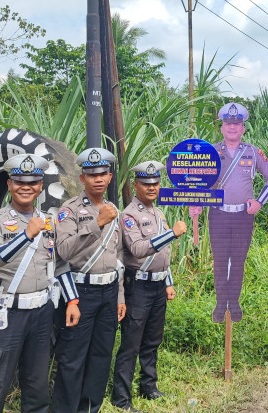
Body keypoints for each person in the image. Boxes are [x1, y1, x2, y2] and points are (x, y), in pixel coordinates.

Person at [0, 154, 79, 413]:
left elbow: (60, 264)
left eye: (32, 182)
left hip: (42, 313)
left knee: (37, 384)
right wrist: (26, 235)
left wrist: (73, 300)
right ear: (9, 185)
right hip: (7, 314)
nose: (26, 187)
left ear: (41, 186)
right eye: (19, 181)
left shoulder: (49, 222)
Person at [189, 102, 268, 322]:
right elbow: (198, 180)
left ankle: (234, 303)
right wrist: (197, 202)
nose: (232, 127)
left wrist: (259, 202)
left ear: (243, 128)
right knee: (220, 260)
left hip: (242, 216)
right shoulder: (210, 151)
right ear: (221, 127)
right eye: (228, 123)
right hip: (218, 214)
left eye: (236, 124)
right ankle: (221, 305)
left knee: (238, 260)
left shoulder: (253, 152)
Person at [53, 147, 126, 413]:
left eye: (103, 174)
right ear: (82, 178)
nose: (97, 179)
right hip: (80, 292)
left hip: (108, 292)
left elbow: (117, 258)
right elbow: (63, 251)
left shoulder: (113, 209)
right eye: (91, 174)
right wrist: (97, 223)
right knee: (72, 358)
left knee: (100, 356)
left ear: (109, 177)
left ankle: (89, 409)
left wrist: (119, 296)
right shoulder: (69, 210)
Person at [111, 161, 188, 412]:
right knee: (131, 343)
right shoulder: (129, 215)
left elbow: (162, 254)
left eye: (155, 183)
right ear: (136, 185)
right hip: (138, 287)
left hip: (157, 286)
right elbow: (137, 249)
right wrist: (172, 234)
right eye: (146, 183)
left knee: (152, 340)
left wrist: (169, 282)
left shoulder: (158, 213)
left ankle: (148, 386)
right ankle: (121, 398)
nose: (152, 187)